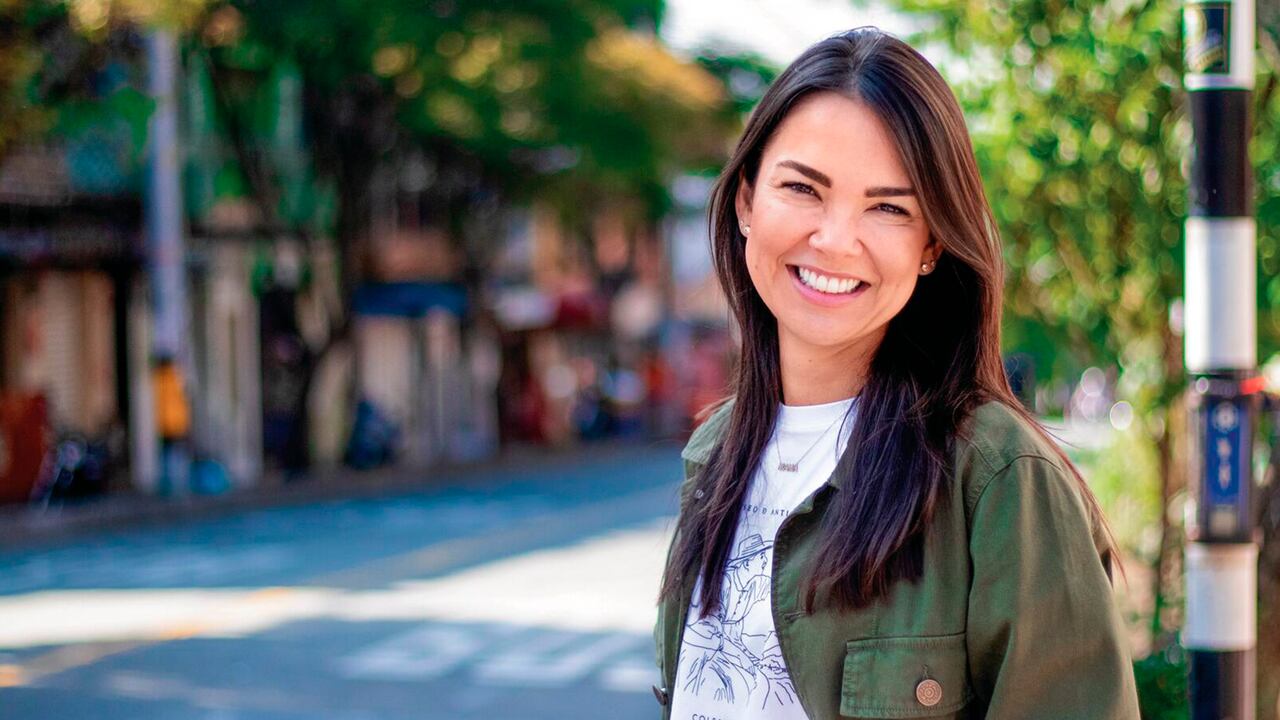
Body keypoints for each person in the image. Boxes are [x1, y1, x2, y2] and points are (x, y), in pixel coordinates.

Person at [652, 27, 1140, 720]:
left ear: (931, 245)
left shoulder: (999, 477)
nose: (835, 238)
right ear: (745, 203)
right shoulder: (715, 454)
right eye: (802, 188)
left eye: (887, 207)